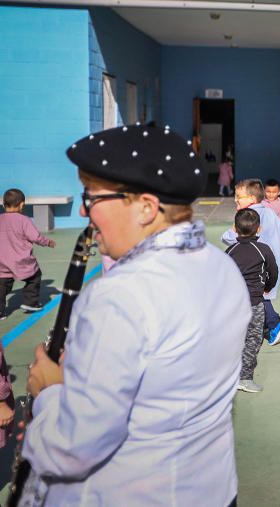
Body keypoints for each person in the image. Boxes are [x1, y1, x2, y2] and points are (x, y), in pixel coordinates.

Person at [22, 123, 248, 505]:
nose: (82, 209)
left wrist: (49, 391)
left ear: (145, 207)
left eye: (91, 196)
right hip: (211, 488)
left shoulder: (120, 295)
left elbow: (74, 446)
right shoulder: (220, 266)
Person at [223, 179, 280, 346]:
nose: (236, 200)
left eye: (239, 197)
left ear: (251, 198)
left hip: (255, 267)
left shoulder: (247, 216)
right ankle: (269, 326)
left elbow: (229, 238)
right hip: (271, 262)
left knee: (258, 297)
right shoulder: (270, 212)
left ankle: (274, 325)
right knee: (261, 296)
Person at [225, 208, 278, 393]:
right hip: (254, 302)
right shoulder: (263, 250)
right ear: (259, 229)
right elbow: (273, 271)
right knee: (253, 339)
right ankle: (244, 378)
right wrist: (268, 287)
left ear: (234, 228)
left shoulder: (230, 250)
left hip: (233, 303)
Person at [0, 188, 55, 316]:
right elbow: (35, 237)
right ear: (22, 205)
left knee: (2, 286)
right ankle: (30, 303)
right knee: (34, 277)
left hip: (1, 262)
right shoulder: (24, 220)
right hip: (21, 261)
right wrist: (47, 242)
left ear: (3, 205)